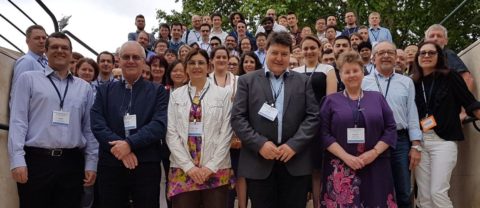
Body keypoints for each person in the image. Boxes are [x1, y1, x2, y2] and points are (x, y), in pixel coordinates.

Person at [8, 32, 98, 208]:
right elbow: (18, 121)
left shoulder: (84, 88)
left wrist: (91, 163)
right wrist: (17, 160)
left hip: (72, 163)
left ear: (71, 53)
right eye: (54, 47)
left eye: (64, 48)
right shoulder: (28, 79)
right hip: (36, 161)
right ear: (46, 52)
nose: (60, 51)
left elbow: (89, 128)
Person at [231, 31, 320, 208]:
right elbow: (238, 118)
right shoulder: (247, 81)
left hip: (295, 161)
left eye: (284, 54)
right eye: (275, 53)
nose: (279, 58)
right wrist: (260, 144)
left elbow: (313, 117)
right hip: (259, 162)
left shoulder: (303, 81)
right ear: (266, 52)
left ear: (290, 55)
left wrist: (294, 145)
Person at [90, 41, 168, 208]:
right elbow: (97, 124)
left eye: (136, 57)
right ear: (119, 60)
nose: (131, 61)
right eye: (126, 57)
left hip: (146, 165)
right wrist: (122, 150)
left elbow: (159, 125)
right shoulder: (104, 91)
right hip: (112, 163)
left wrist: (129, 144)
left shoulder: (158, 91)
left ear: (143, 61)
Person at [319, 50, 397, 207]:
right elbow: (323, 133)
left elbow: (390, 128)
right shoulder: (330, 101)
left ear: (362, 73)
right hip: (340, 166)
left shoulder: (377, 98)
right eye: (346, 72)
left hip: (375, 164)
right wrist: (346, 157)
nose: (351, 75)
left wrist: (374, 152)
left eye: (355, 70)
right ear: (340, 75)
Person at [411, 41, 480, 208]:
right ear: (417, 57)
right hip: (420, 142)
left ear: (439, 57)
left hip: (443, 141)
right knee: (424, 197)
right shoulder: (412, 82)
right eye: (423, 53)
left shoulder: (450, 76)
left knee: (438, 192)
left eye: (431, 53)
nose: (426, 56)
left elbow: (470, 102)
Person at [166, 49, 234, 208]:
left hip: (215, 168)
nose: (196, 66)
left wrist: (211, 166)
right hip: (183, 168)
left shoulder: (223, 94)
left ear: (209, 67)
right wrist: (189, 167)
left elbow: (226, 132)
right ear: (186, 68)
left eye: (201, 62)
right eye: (192, 63)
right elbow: (171, 133)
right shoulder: (176, 95)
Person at [362, 41, 422, 208]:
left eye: (390, 52)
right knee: (374, 188)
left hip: (399, 140)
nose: (386, 56)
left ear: (396, 57)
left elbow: (412, 113)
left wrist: (416, 145)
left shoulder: (406, 82)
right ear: (373, 59)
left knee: (403, 190)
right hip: (371, 140)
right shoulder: (363, 81)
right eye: (381, 53)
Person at [291, 35, 337, 208]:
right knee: (300, 170)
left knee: (317, 170)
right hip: (298, 128)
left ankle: (318, 204)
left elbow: (330, 100)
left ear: (319, 50)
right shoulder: (294, 72)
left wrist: (322, 124)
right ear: (301, 51)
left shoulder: (328, 69)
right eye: (306, 48)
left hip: (319, 125)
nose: (309, 51)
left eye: (313, 48)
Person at [424, 24, 474, 92]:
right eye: (432, 36)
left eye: (439, 36)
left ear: (446, 41)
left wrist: (464, 101)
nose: (435, 38)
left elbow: (467, 78)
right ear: (425, 41)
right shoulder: (422, 60)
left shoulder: (447, 54)